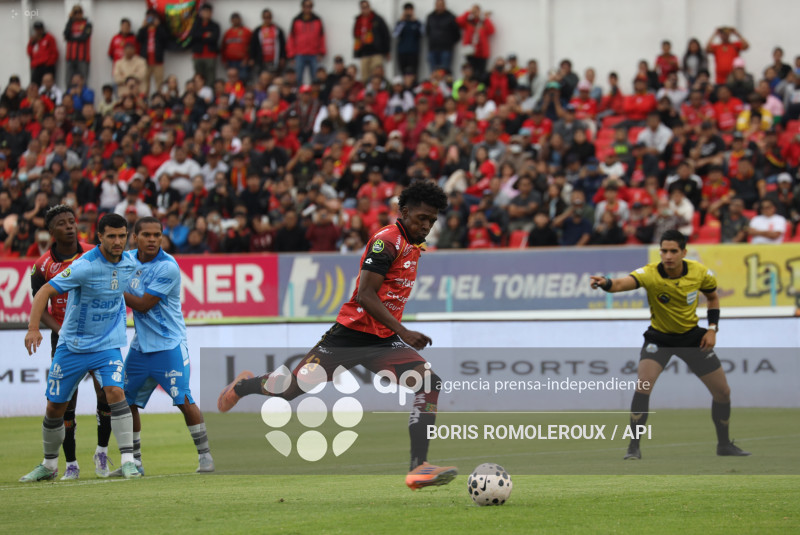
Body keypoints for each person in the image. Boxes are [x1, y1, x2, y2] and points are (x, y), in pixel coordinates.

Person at [217, 181, 457, 489]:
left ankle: (418, 467)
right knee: (289, 389)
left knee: (429, 383)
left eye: (431, 221)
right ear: (404, 211)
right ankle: (244, 385)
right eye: (421, 218)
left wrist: (395, 332)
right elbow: (365, 296)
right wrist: (404, 331)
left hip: (382, 341)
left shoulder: (414, 245)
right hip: (349, 337)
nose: (426, 225)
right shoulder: (387, 242)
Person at [590, 229, 750, 461]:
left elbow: (713, 298)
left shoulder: (699, 272)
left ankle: (724, 445)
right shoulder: (650, 273)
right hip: (659, 339)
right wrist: (605, 282)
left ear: (683, 252)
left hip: (692, 338)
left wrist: (712, 329)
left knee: (723, 392)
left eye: (673, 251)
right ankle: (633, 448)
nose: (668, 256)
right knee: (643, 386)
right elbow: (619, 284)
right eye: (664, 250)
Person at [20, 213, 140, 482]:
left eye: (122, 236)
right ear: (100, 237)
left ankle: (128, 461)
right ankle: (50, 464)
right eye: (111, 236)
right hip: (72, 345)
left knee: (115, 392)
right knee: (55, 408)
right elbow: (43, 292)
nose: (117, 241)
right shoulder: (84, 265)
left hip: (108, 345)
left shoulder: (130, 261)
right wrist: (33, 328)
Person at [112, 217, 214, 475]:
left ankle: (206, 458)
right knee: (127, 402)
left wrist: (111, 287)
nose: (152, 239)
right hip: (140, 348)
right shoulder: (126, 259)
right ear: (135, 238)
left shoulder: (168, 266)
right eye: (146, 234)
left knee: (184, 400)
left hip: (169, 346)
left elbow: (144, 304)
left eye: (157, 235)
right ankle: (135, 462)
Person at [29, 205, 113, 479]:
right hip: (65, 341)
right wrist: (60, 331)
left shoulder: (94, 252)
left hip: (99, 336)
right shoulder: (41, 266)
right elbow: (40, 304)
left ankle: (102, 453)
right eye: (62, 223)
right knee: (65, 402)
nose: (69, 226)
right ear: (51, 231)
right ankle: (71, 465)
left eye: (71, 221)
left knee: (107, 395)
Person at [288, 1, 327, 86]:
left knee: (315, 78)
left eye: (309, 6)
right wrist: (291, 55)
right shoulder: (296, 20)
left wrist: (322, 52)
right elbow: (291, 38)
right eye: (306, 6)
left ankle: (315, 97)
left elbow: (321, 37)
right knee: (298, 78)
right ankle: (299, 96)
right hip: (299, 54)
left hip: (314, 54)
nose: (307, 8)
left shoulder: (317, 20)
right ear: (302, 7)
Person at [353, 0, 391, 83]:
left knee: (377, 75)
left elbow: (385, 35)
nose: (365, 9)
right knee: (364, 77)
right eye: (363, 8)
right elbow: (356, 36)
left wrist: (387, 51)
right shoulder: (358, 20)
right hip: (364, 52)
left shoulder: (377, 19)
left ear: (369, 7)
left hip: (376, 52)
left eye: (366, 7)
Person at [137, 9, 169, 97]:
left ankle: (159, 100)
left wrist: (158, 26)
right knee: (144, 84)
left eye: (152, 17)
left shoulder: (160, 29)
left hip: (158, 62)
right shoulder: (144, 30)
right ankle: (145, 101)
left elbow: (166, 39)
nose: (150, 19)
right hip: (145, 61)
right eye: (149, 17)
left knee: (159, 83)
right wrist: (143, 27)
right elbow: (138, 39)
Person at [456, 5, 494, 79]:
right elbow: (459, 21)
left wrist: (485, 18)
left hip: (482, 53)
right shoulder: (468, 22)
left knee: (481, 74)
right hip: (470, 52)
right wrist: (469, 12)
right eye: (474, 11)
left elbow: (491, 30)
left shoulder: (483, 23)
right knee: (471, 73)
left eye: (477, 11)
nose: (476, 13)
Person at [425, 0, 460, 73]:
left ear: (444, 6)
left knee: (444, 72)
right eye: (438, 5)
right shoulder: (430, 17)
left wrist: (449, 43)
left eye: (441, 5)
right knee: (433, 72)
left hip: (446, 49)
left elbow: (457, 33)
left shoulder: (450, 17)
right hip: (433, 48)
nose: (439, 7)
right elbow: (427, 31)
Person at [191, 3, 221, 87]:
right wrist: (205, 35)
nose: (207, 13)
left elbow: (214, 38)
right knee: (198, 77)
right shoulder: (196, 24)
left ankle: (210, 95)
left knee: (210, 78)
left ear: (211, 13)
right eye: (205, 11)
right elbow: (193, 36)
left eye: (209, 12)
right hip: (198, 55)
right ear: (201, 12)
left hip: (210, 55)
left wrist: (200, 36)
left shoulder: (215, 26)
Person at [250, 9, 287, 75]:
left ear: (271, 17)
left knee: (274, 79)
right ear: (262, 18)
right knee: (262, 79)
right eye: (265, 17)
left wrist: (282, 57)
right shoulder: (258, 30)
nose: (267, 19)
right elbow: (253, 45)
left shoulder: (277, 30)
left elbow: (282, 45)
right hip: (261, 61)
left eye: (269, 17)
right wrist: (252, 58)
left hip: (274, 61)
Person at [63, 4, 92, 83]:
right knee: (68, 80)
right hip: (70, 57)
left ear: (82, 13)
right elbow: (66, 34)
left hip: (82, 57)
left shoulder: (87, 23)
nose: (77, 15)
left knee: (83, 80)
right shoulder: (70, 23)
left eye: (79, 12)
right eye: (75, 13)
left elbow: (84, 37)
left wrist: (71, 38)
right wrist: (70, 19)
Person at [221, 13, 253, 84]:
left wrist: (248, 58)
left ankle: (242, 94)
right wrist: (224, 60)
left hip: (243, 62)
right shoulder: (228, 33)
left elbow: (252, 46)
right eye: (233, 19)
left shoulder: (247, 31)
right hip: (230, 62)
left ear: (240, 20)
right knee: (232, 81)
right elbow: (223, 47)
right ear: (231, 21)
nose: (235, 21)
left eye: (237, 19)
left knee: (243, 79)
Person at [394, 3, 423, 79]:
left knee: (414, 71)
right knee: (402, 71)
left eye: (410, 10)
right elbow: (395, 34)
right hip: (402, 51)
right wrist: (401, 22)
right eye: (407, 10)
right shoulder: (401, 23)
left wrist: (415, 21)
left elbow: (423, 33)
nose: (408, 12)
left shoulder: (417, 23)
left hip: (413, 51)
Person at [27, 21, 59, 86]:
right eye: (36, 29)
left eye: (39, 29)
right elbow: (29, 52)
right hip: (37, 67)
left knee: (47, 85)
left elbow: (54, 52)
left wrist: (49, 64)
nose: (38, 31)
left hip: (47, 66)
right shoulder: (33, 40)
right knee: (34, 85)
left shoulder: (49, 38)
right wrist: (32, 43)